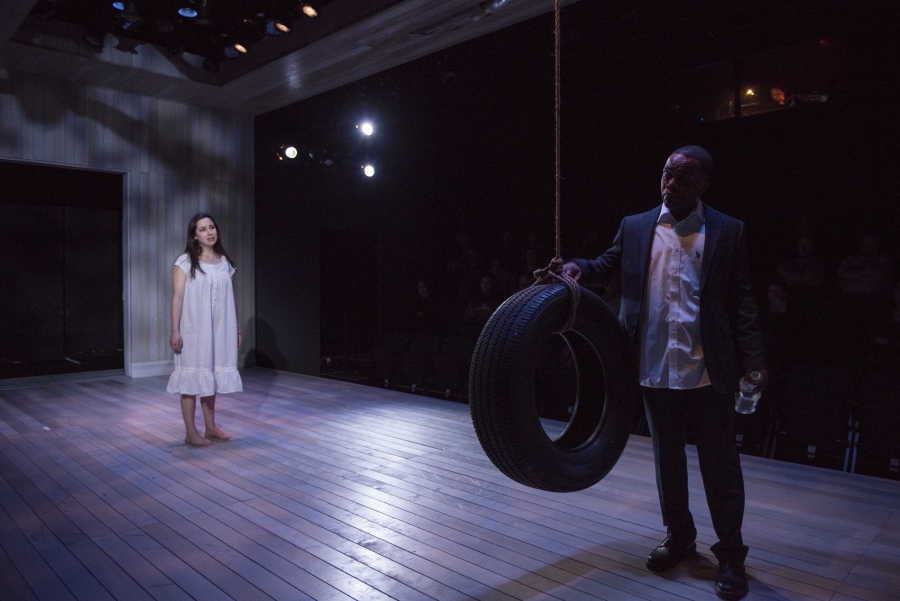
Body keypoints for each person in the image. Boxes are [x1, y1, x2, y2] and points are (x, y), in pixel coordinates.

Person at [563, 146, 767, 601]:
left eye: (683, 178)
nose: (670, 184)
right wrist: (578, 267)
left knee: (720, 464)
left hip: (707, 369)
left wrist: (754, 359)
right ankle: (680, 537)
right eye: (666, 174)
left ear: (703, 185)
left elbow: (743, 300)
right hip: (655, 366)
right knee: (667, 460)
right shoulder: (636, 226)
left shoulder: (728, 230)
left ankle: (731, 555)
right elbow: (605, 265)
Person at [167, 213, 243, 447]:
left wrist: (236, 328)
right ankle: (191, 432)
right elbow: (177, 298)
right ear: (194, 235)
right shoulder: (185, 262)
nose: (210, 232)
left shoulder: (224, 262)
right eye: (203, 229)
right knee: (191, 377)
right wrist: (175, 330)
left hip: (219, 329)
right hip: (193, 329)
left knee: (210, 375)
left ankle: (210, 428)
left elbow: (230, 299)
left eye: (212, 227)